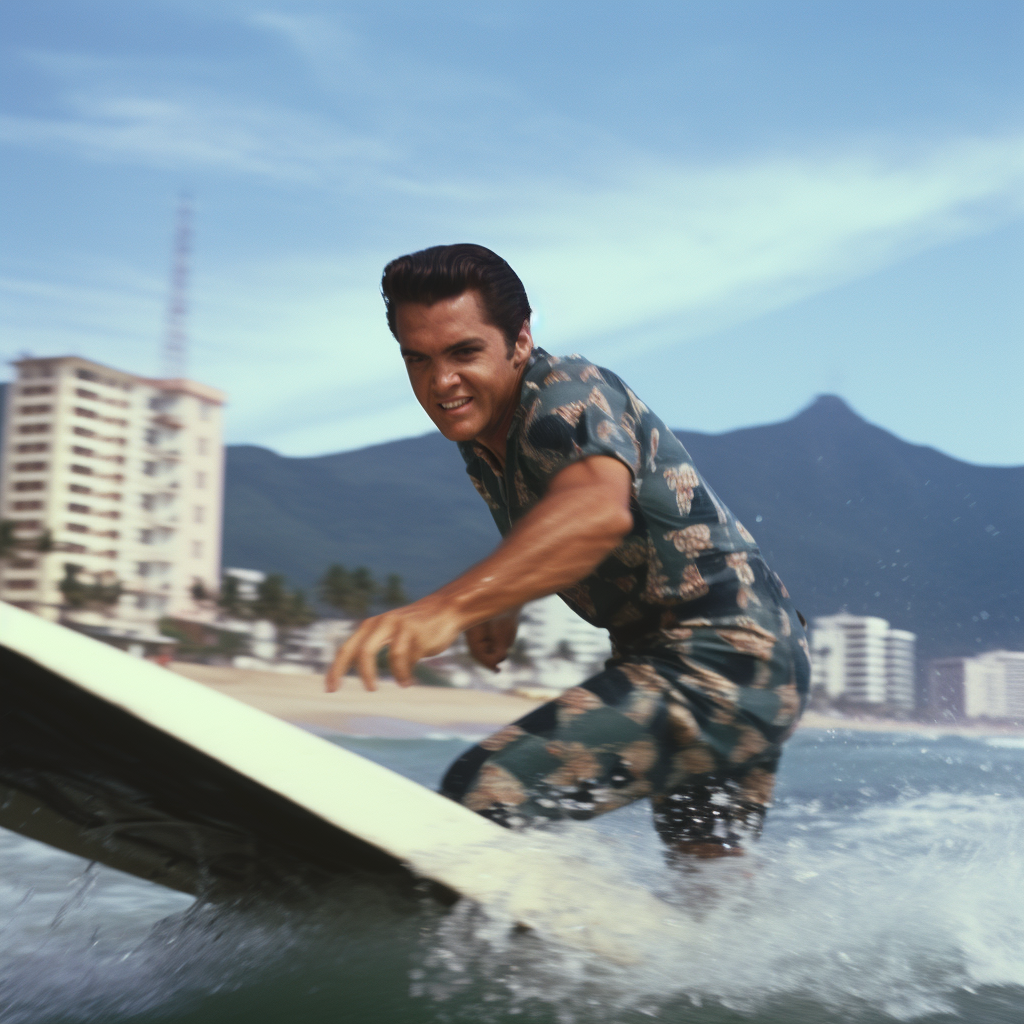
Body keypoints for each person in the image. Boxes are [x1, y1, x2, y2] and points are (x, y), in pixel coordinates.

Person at [327, 243, 810, 859]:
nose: (440, 381)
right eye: (416, 359)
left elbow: (594, 512)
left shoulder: (565, 397)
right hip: (732, 662)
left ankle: (496, 956)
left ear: (520, 340)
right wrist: (500, 605)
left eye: (464, 353)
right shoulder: (485, 438)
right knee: (709, 890)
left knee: (486, 794)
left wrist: (447, 609)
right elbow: (547, 516)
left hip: (719, 659)